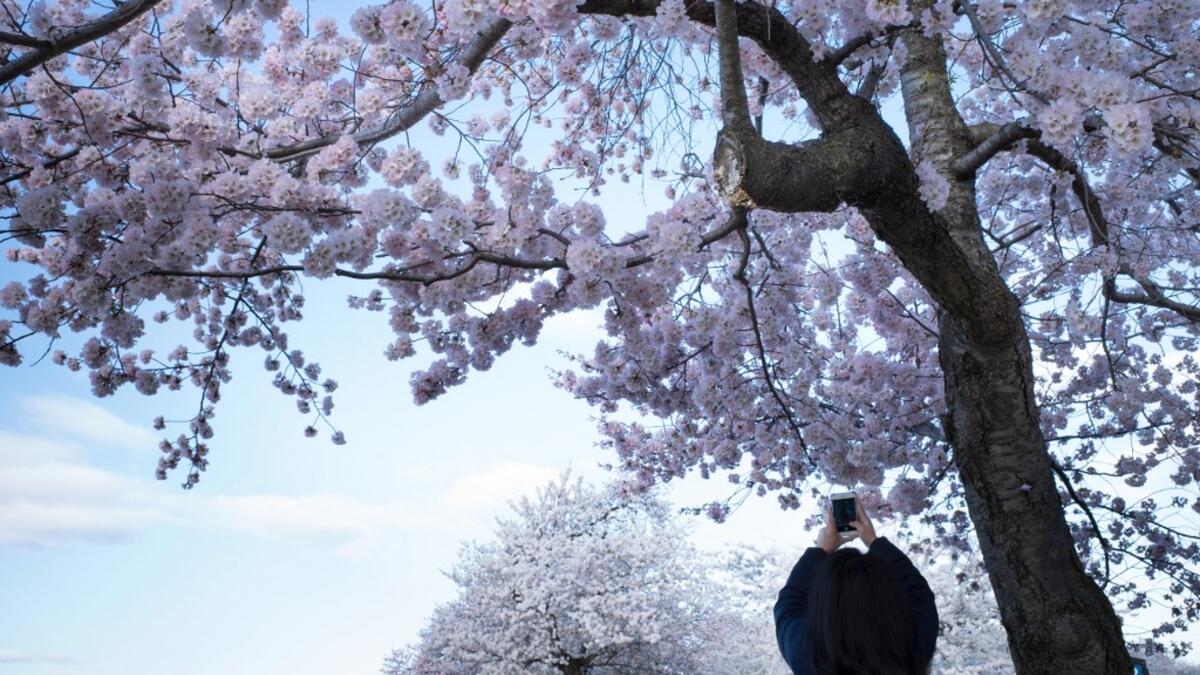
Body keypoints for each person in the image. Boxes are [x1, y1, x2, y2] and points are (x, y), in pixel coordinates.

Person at [774, 496, 938, 675]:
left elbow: (788, 603)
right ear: (888, 593)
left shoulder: (806, 652)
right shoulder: (912, 641)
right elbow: (919, 592)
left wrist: (821, 550)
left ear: (821, 598)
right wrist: (873, 541)